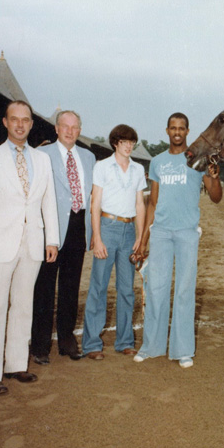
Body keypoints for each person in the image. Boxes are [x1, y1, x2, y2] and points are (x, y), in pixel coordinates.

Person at [0, 100, 59, 396]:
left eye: (25, 120)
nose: (20, 124)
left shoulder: (42, 159)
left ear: (31, 124)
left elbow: (48, 201)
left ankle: (16, 364)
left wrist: (52, 239)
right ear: (5, 122)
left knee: (24, 305)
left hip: (33, 243)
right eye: (14, 119)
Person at [136, 113, 222, 368]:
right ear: (167, 131)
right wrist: (143, 240)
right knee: (156, 289)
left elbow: (216, 197)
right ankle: (151, 346)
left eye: (181, 128)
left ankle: (183, 350)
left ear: (187, 131)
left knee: (184, 291)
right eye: (172, 128)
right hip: (161, 232)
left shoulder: (198, 161)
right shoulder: (157, 162)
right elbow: (153, 202)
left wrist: (214, 177)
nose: (177, 132)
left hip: (186, 233)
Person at [31, 110, 94, 364]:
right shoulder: (41, 154)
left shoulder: (89, 157)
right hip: (50, 229)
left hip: (78, 226)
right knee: (44, 288)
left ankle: (67, 339)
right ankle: (40, 345)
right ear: (56, 129)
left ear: (79, 130)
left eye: (74, 127)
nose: (69, 131)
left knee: (70, 286)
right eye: (64, 126)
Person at [81, 124, 146, 360]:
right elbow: (95, 203)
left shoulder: (138, 169)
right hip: (107, 227)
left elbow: (140, 204)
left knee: (127, 289)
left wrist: (140, 237)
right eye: (124, 142)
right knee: (98, 287)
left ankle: (125, 341)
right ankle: (91, 344)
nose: (128, 146)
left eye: (132, 142)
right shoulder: (102, 166)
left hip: (129, 230)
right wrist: (96, 238)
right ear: (115, 143)